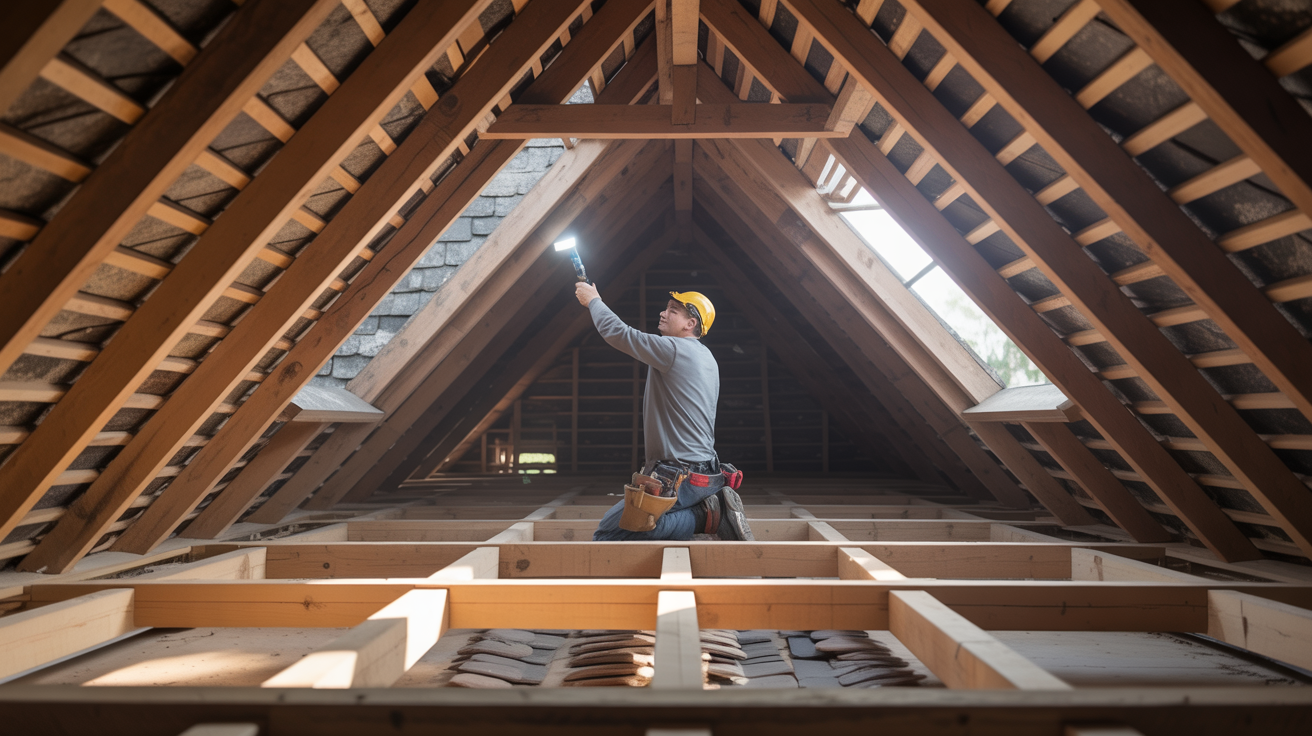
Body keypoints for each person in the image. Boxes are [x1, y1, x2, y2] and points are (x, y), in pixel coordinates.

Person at [575, 281, 753, 542]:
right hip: (704, 471)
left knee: (609, 533)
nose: (663, 313)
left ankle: (706, 517)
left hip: (681, 475)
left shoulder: (674, 349)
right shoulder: (706, 357)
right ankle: (706, 511)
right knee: (627, 527)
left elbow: (619, 333)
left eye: (672, 310)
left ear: (690, 323)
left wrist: (593, 300)